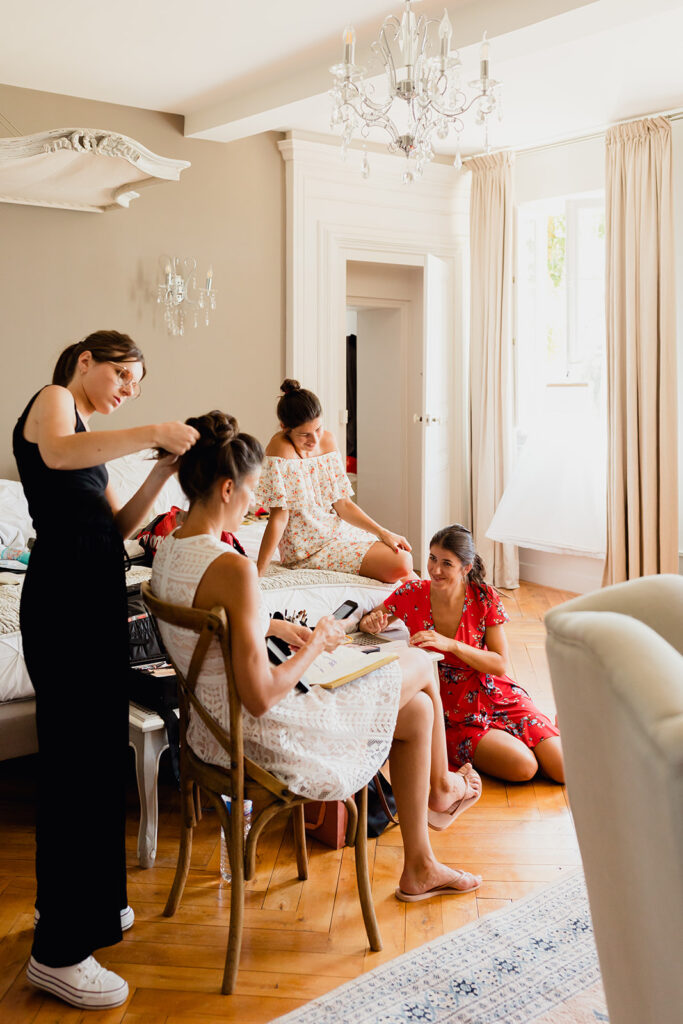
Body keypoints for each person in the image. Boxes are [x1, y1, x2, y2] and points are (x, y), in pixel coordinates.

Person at [151, 411, 483, 904]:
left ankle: (420, 865)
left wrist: (278, 627)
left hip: (209, 733)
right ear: (226, 490)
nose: (255, 503)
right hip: (262, 737)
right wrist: (323, 642)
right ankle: (439, 790)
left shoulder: (169, 550)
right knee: (421, 662)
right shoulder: (234, 568)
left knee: (416, 712)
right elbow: (261, 698)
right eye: (253, 491)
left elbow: (215, 624)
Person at [13, 331, 199, 1010]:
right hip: (63, 599)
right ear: (85, 361)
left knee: (93, 758)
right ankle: (59, 953)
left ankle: (81, 907)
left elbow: (112, 525)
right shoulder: (55, 401)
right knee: (74, 763)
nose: (129, 388)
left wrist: (157, 471)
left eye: (138, 384)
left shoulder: (88, 431)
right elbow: (59, 453)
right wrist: (151, 428)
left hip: (89, 594)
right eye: (124, 373)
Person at [358, 524, 565, 784]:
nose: (435, 569)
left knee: (562, 770)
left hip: (495, 693)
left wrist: (452, 645)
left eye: (447, 563)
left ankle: (550, 733)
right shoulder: (411, 593)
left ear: (466, 568)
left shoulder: (484, 597)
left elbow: (500, 664)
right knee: (523, 767)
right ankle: (520, 743)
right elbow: (373, 620)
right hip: (451, 711)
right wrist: (371, 623)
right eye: (432, 558)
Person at [255, 380, 414, 582]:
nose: (314, 440)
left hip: (338, 534)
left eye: (318, 429)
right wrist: (258, 573)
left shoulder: (328, 441)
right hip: (307, 550)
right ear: (284, 428)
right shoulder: (280, 449)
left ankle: (439, 611)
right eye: (305, 435)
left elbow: (343, 504)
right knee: (403, 563)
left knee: (406, 568)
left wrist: (384, 533)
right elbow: (279, 517)